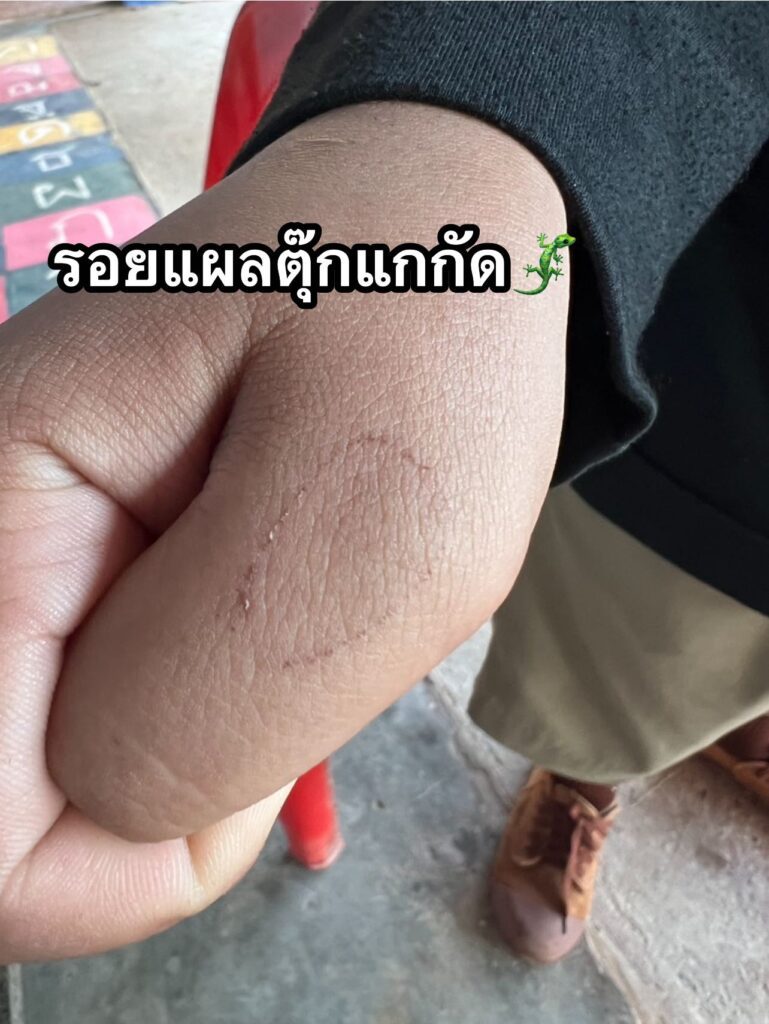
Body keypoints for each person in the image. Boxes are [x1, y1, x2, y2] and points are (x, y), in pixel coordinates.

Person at [1, 2, 768, 969]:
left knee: (725, 665)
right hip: (709, 392)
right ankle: (581, 777)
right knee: (624, 655)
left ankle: (727, 723)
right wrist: (468, 131)